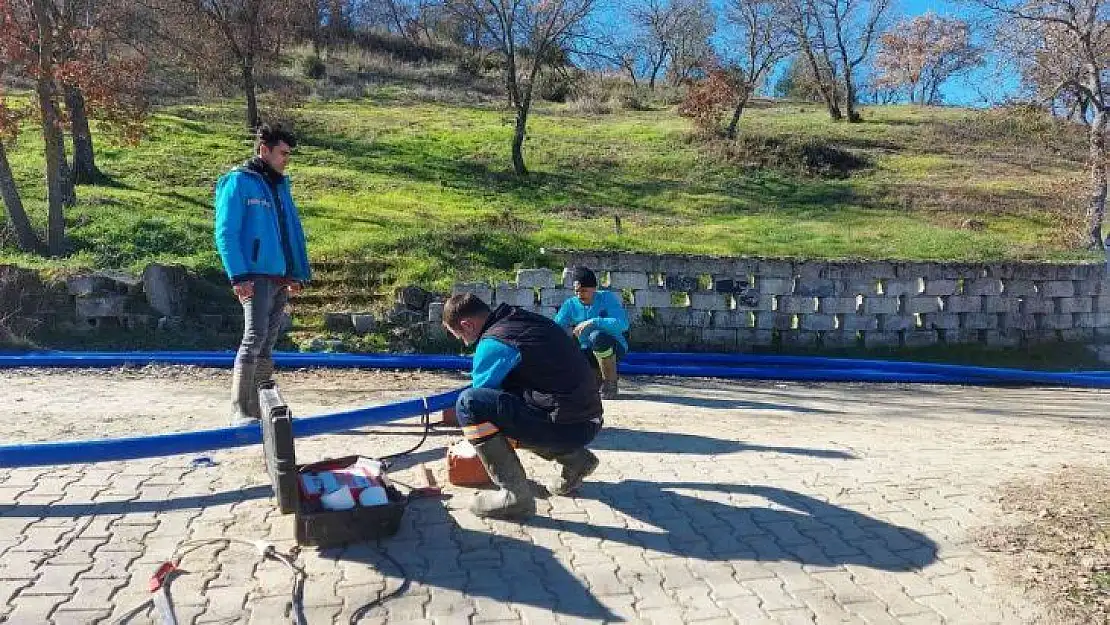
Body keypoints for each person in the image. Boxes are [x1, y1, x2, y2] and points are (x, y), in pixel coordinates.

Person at [442, 293, 604, 519]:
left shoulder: (494, 343)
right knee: (511, 404)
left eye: (458, 335)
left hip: (567, 424)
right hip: (588, 420)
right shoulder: (520, 321)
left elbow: (481, 401)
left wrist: (475, 443)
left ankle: (514, 497)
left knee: (469, 404)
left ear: (466, 324)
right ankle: (576, 460)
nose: (463, 342)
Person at [215, 124, 311, 426]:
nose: (286, 159)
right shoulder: (238, 182)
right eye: (282, 153)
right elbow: (226, 232)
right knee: (253, 338)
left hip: (278, 277)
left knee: (268, 343)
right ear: (264, 150)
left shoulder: (279, 185)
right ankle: (240, 409)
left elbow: (288, 231)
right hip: (253, 275)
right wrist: (238, 275)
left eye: (288, 154)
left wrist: (292, 271)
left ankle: (263, 407)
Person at [554, 266, 629, 399]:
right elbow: (555, 327)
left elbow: (623, 324)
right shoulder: (570, 304)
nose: (579, 295)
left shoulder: (607, 298)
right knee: (563, 342)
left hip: (613, 347)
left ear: (594, 288)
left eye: (584, 291)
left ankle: (610, 382)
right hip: (585, 349)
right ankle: (594, 378)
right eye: (577, 291)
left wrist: (594, 322)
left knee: (596, 337)